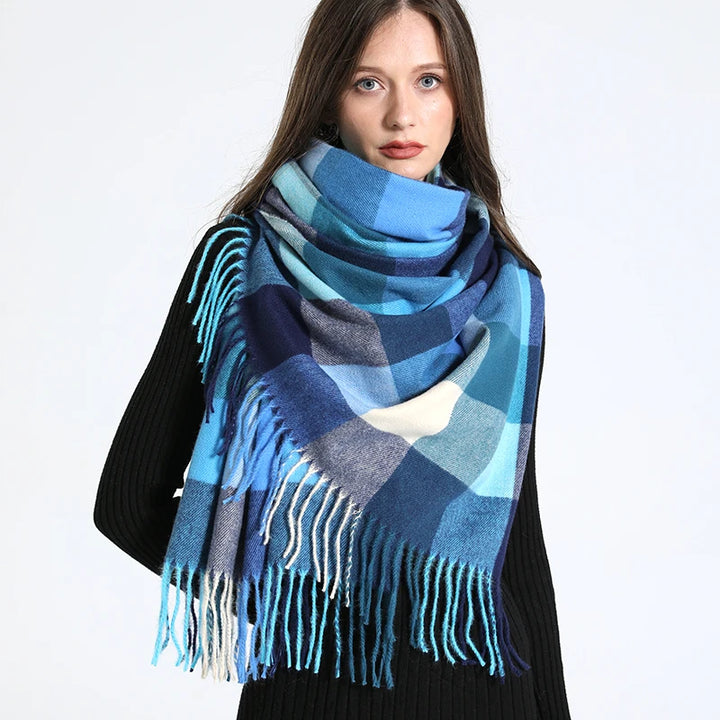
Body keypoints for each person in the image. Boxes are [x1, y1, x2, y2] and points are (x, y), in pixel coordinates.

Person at [94, 1, 572, 718]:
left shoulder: (506, 289)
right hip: (317, 698)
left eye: (430, 81)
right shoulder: (248, 266)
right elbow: (126, 503)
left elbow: (516, 544)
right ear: (328, 97)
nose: (403, 116)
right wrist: (305, 603)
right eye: (368, 83)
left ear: (461, 96)